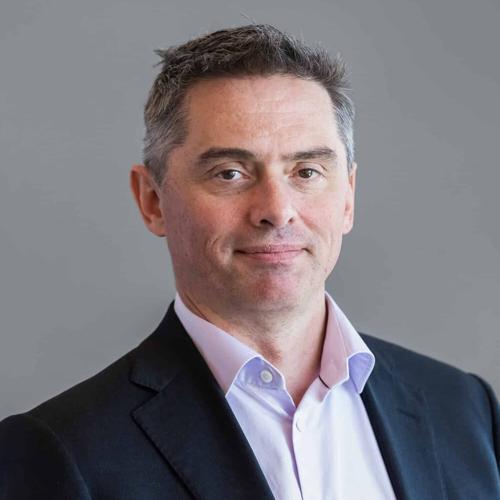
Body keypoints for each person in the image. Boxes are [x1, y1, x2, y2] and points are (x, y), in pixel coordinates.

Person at [0, 24, 498, 500]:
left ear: (347, 196)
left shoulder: (463, 409)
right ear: (152, 201)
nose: (276, 210)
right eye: (230, 173)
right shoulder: (60, 451)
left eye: (307, 171)